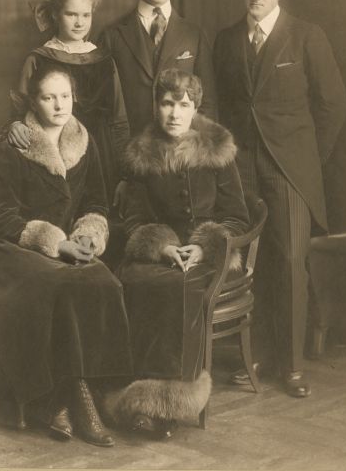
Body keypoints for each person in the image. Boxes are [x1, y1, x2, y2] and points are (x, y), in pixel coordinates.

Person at [0, 65, 133, 447]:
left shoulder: (84, 139)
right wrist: (54, 243)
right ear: (34, 101)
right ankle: (61, 398)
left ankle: (92, 391)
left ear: (74, 97)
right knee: (57, 283)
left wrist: (89, 235)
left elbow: (96, 200)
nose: (58, 105)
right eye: (48, 97)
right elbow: (2, 217)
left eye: (64, 96)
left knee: (104, 281)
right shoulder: (16, 143)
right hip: (14, 247)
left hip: (67, 243)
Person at [213, 0, 346, 397]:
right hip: (242, 168)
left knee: (289, 261)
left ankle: (290, 364)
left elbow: (333, 106)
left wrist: (306, 160)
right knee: (252, 264)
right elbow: (223, 106)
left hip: (289, 170)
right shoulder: (227, 40)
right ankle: (256, 353)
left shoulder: (308, 36)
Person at [103, 68, 250, 439]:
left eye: (183, 105)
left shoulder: (218, 148)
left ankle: (169, 403)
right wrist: (163, 246)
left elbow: (236, 216)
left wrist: (203, 246)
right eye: (167, 103)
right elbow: (134, 217)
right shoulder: (141, 152)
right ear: (156, 106)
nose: (174, 113)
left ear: (195, 108)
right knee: (134, 280)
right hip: (161, 249)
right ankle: (135, 397)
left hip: (208, 255)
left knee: (178, 287)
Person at [6, 0, 129, 205]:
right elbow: (19, 111)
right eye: (71, 14)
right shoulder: (39, 58)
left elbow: (119, 118)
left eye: (86, 15)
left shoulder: (103, 60)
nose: (79, 22)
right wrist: (14, 124)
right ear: (55, 15)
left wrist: (125, 173)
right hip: (53, 149)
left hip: (100, 152)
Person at [99, 0, 217, 137]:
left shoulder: (194, 34)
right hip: (129, 152)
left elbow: (208, 103)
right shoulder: (112, 35)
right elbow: (102, 105)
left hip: (181, 155)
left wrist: (192, 151)